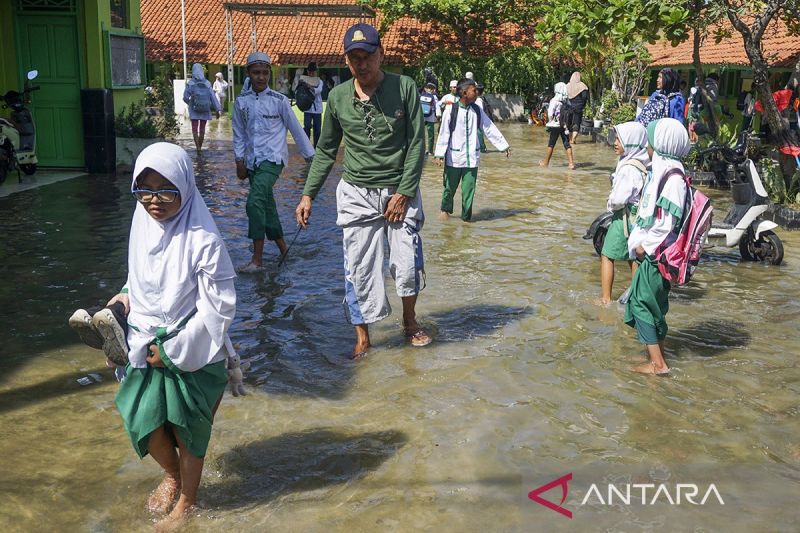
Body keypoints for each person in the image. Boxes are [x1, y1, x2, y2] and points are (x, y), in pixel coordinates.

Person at [113, 142, 238, 524]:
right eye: (144, 190)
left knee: (188, 431)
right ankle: (172, 474)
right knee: (142, 420)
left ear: (185, 188)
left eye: (166, 190)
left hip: (195, 348)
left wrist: (172, 350)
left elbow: (220, 308)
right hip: (142, 339)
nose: (155, 201)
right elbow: (144, 278)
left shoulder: (205, 240)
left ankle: (189, 500)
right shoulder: (141, 223)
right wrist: (124, 295)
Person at [294, 23, 431, 360]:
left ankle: (410, 321)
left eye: (368, 56)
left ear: (380, 54)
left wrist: (403, 192)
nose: (362, 65)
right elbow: (326, 150)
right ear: (347, 61)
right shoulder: (337, 97)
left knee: (407, 263)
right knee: (359, 268)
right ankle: (363, 338)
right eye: (354, 59)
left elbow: (417, 143)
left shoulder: (405, 88)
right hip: (356, 191)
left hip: (400, 188)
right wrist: (308, 194)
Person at [233, 51, 315, 273]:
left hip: (273, 160)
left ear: (269, 73)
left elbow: (296, 130)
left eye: (264, 72)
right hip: (252, 163)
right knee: (267, 208)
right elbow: (239, 134)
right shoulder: (241, 103)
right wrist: (239, 160)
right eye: (256, 72)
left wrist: (312, 159)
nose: (261, 77)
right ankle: (283, 250)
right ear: (248, 73)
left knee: (254, 203)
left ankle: (257, 260)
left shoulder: (279, 101)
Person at [625, 118, 691, 375]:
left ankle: (658, 364)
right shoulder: (668, 170)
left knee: (641, 301)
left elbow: (667, 223)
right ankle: (658, 356)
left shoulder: (672, 176)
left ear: (662, 144)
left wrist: (645, 247)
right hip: (658, 254)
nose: (647, 146)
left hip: (658, 255)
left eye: (651, 141)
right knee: (653, 304)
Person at [434, 78, 510, 222]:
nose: (477, 93)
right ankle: (445, 210)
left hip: (471, 159)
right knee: (449, 188)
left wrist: (503, 146)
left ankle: (466, 218)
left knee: (469, 191)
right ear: (464, 93)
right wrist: (439, 154)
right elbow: (444, 133)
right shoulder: (451, 110)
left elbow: (489, 128)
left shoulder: (477, 110)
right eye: (474, 90)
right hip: (454, 158)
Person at [597, 121, 648, 305]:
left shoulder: (627, 168)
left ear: (632, 141)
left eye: (620, 139)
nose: (615, 142)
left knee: (607, 254)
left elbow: (619, 199)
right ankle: (636, 296)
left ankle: (605, 299)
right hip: (637, 218)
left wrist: (609, 205)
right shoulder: (641, 163)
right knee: (633, 257)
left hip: (624, 217)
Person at [183, 64, 221, 152]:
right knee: (202, 129)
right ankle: (200, 146)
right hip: (205, 109)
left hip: (194, 109)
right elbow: (213, 97)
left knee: (195, 129)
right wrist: (218, 109)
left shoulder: (190, 83)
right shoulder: (207, 83)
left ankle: (197, 148)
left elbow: (185, 97)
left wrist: (190, 103)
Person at [539, 82, 575, 169]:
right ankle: (571, 163)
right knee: (566, 143)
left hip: (556, 125)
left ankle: (546, 162)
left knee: (551, 143)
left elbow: (550, 114)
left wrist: (550, 121)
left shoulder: (554, 101)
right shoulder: (567, 101)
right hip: (564, 125)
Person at [301, 62, 324, 146]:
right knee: (307, 126)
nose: (311, 73)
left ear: (316, 72)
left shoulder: (320, 81)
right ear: (307, 71)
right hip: (307, 107)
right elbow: (298, 91)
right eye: (310, 72)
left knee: (317, 129)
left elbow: (318, 91)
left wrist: (310, 87)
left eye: (313, 72)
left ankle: (316, 147)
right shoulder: (303, 80)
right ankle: (306, 145)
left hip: (317, 109)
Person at [566, 72, 589, 145]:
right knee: (576, 123)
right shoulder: (582, 86)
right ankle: (573, 140)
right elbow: (585, 97)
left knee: (568, 124)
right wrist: (582, 105)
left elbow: (564, 97)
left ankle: (569, 140)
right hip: (578, 107)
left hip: (569, 107)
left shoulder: (567, 86)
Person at [420, 82, 439, 155]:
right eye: (428, 88)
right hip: (423, 116)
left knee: (430, 133)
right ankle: (422, 149)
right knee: (421, 133)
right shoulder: (421, 96)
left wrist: (438, 115)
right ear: (425, 88)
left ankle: (430, 150)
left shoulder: (434, 97)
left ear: (434, 90)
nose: (429, 89)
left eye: (431, 88)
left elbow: (437, 106)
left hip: (431, 116)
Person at [475, 83, 489, 152]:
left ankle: (482, 148)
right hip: (479, 119)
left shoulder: (478, 100)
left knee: (479, 133)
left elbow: (480, 111)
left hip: (478, 120)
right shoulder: (480, 99)